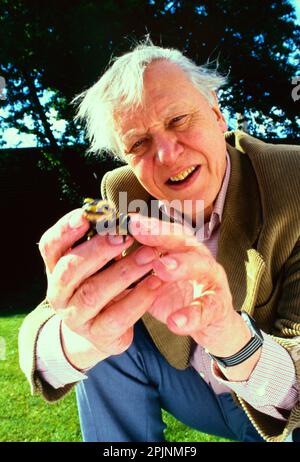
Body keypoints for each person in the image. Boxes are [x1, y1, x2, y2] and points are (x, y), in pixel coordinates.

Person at [19, 40, 300, 443]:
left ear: (217, 113)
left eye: (178, 120)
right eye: (138, 144)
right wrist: (78, 336)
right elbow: (46, 318)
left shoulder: (294, 179)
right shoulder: (122, 195)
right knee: (98, 327)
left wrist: (229, 336)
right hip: (194, 390)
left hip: (278, 400)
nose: (167, 154)